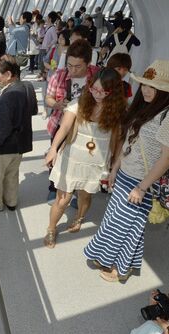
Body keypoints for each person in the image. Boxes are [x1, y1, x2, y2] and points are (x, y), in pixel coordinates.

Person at [84, 60, 169, 283]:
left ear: (167, 91)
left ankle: (121, 268)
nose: (145, 90)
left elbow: (168, 157)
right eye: (144, 84)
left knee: (127, 226)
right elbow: (127, 141)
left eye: (153, 87)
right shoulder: (144, 105)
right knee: (114, 220)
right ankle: (104, 256)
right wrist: (115, 169)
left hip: (144, 183)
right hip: (125, 174)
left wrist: (142, 187)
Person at [43, 68, 126, 248]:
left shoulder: (117, 112)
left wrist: (114, 167)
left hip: (96, 162)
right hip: (72, 158)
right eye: (94, 89)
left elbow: (119, 141)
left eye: (103, 92)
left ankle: (79, 218)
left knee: (85, 197)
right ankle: (51, 229)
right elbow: (64, 128)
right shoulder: (79, 103)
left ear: (113, 93)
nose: (97, 94)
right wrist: (53, 148)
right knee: (62, 199)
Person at [45, 40, 101, 204]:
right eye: (70, 65)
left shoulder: (98, 75)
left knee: (83, 160)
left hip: (87, 128)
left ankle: (76, 191)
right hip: (61, 124)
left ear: (88, 63)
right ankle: (53, 187)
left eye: (78, 66)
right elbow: (48, 98)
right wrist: (56, 104)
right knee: (55, 156)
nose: (72, 70)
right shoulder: (59, 75)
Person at [0, 56, 38, 211]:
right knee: (12, 175)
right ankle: (11, 201)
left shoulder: (8, 96)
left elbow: (3, 127)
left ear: (8, 75)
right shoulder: (26, 86)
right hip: (20, 144)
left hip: (4, 147)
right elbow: (33, 109)